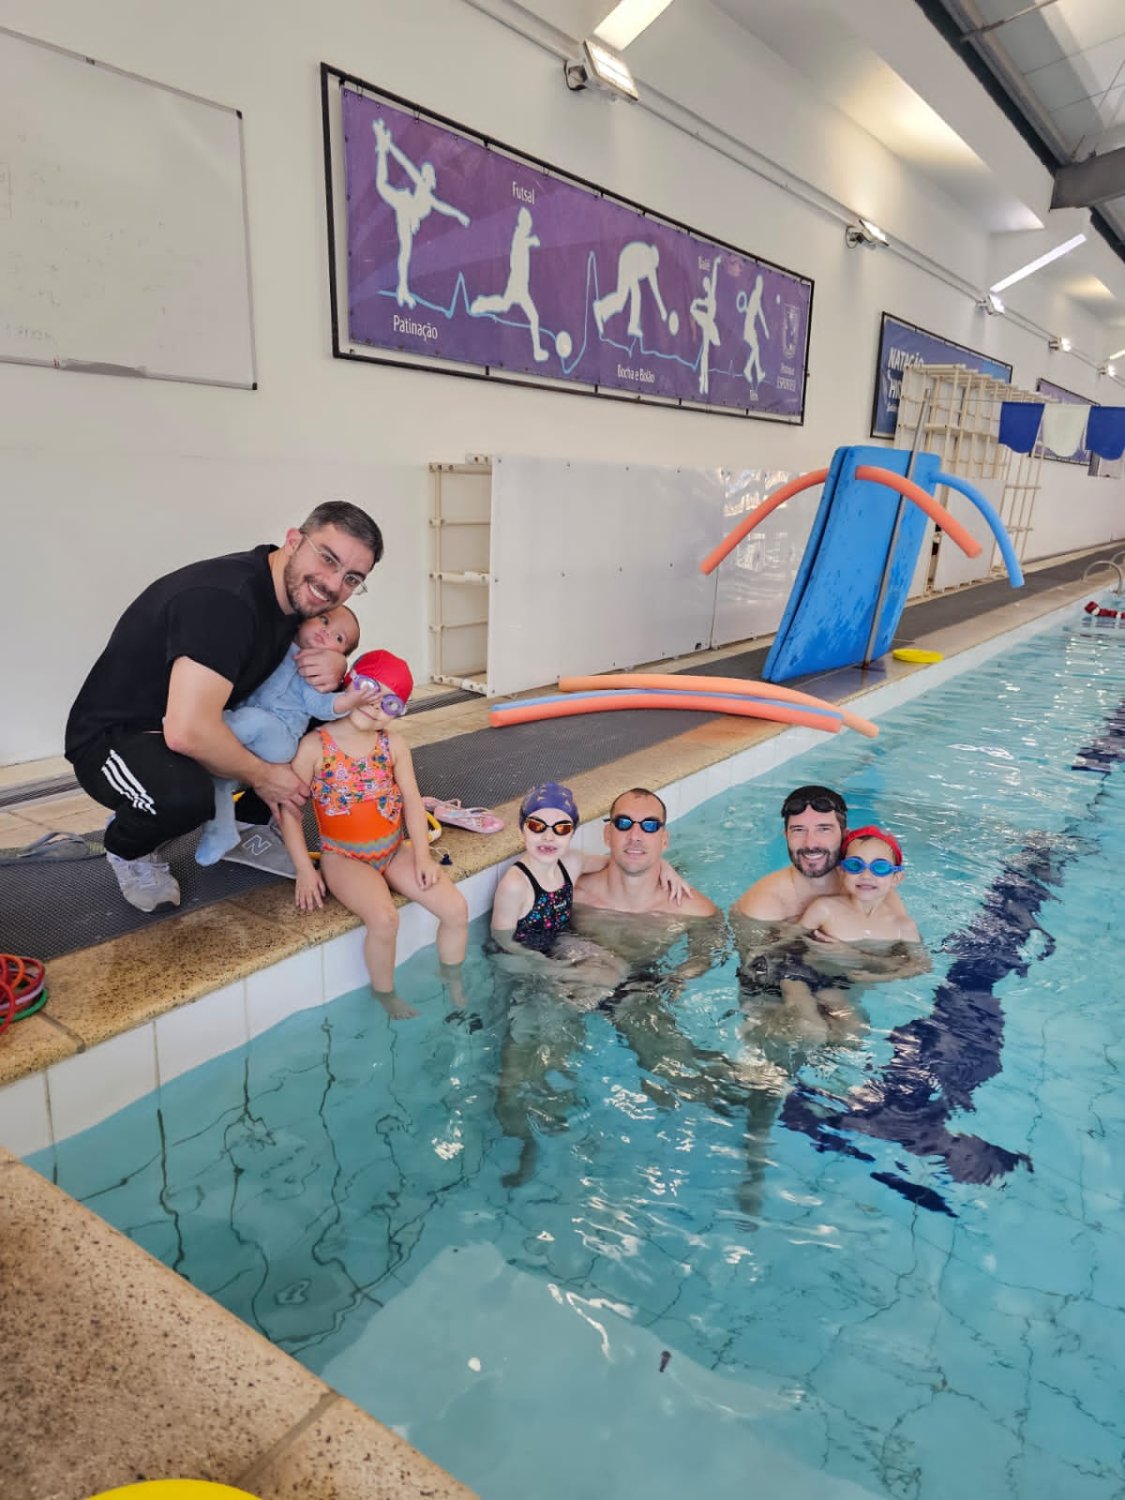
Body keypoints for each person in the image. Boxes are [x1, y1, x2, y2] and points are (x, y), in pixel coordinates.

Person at [65, 501, 383, 913]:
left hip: (207, 721)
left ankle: (248, 828)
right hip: (119, 737)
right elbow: (188, 732)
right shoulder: (224, 602)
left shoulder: (296, 599)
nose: (333, 584)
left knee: (324, 713)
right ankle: (129, 846)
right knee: (182, 798)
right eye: (327, 558)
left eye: (352, 578)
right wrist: (266, 777)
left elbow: (325, 677)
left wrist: (334, 665)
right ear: (293, 540)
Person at [277, 649, 468, 1020]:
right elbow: (289, 811)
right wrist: (303, 869)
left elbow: (412, 801)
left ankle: (453, 982)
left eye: (391, 703)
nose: (377, 706)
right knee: (384, 920)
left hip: (394, 850)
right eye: (370, 690)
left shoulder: (392, 745)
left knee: (457, 910)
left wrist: (423, 857)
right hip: (343, 857)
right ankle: (385, 994)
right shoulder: (315, 746)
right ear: (351, 684)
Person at [194, 605, 374, 866]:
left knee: (251, 720)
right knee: (219, 780)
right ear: (302, 620)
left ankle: (205, 731)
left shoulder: (313, 671)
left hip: (279, 738)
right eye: (324, 620)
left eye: (338, 638)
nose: (326, 632)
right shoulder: (275, 642)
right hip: (246, 733)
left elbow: (320, 706)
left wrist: (349, 699)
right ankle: (220, 835)